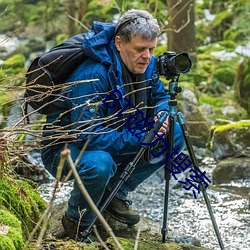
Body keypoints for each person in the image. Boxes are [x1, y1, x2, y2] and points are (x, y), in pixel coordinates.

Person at [41, 9, 185, 241]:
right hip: (66, 149)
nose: (147, 56)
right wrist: (141, 136)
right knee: (100, 164)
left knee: (174, 133)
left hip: (116, 134)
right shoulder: (92, 75)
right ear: (119, 43)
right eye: (140, 49)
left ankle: (115, 193)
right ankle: (76, 221)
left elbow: (159, 96)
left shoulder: (145, 64)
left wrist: (161, 114)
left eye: (152, 49)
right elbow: (87, 135)